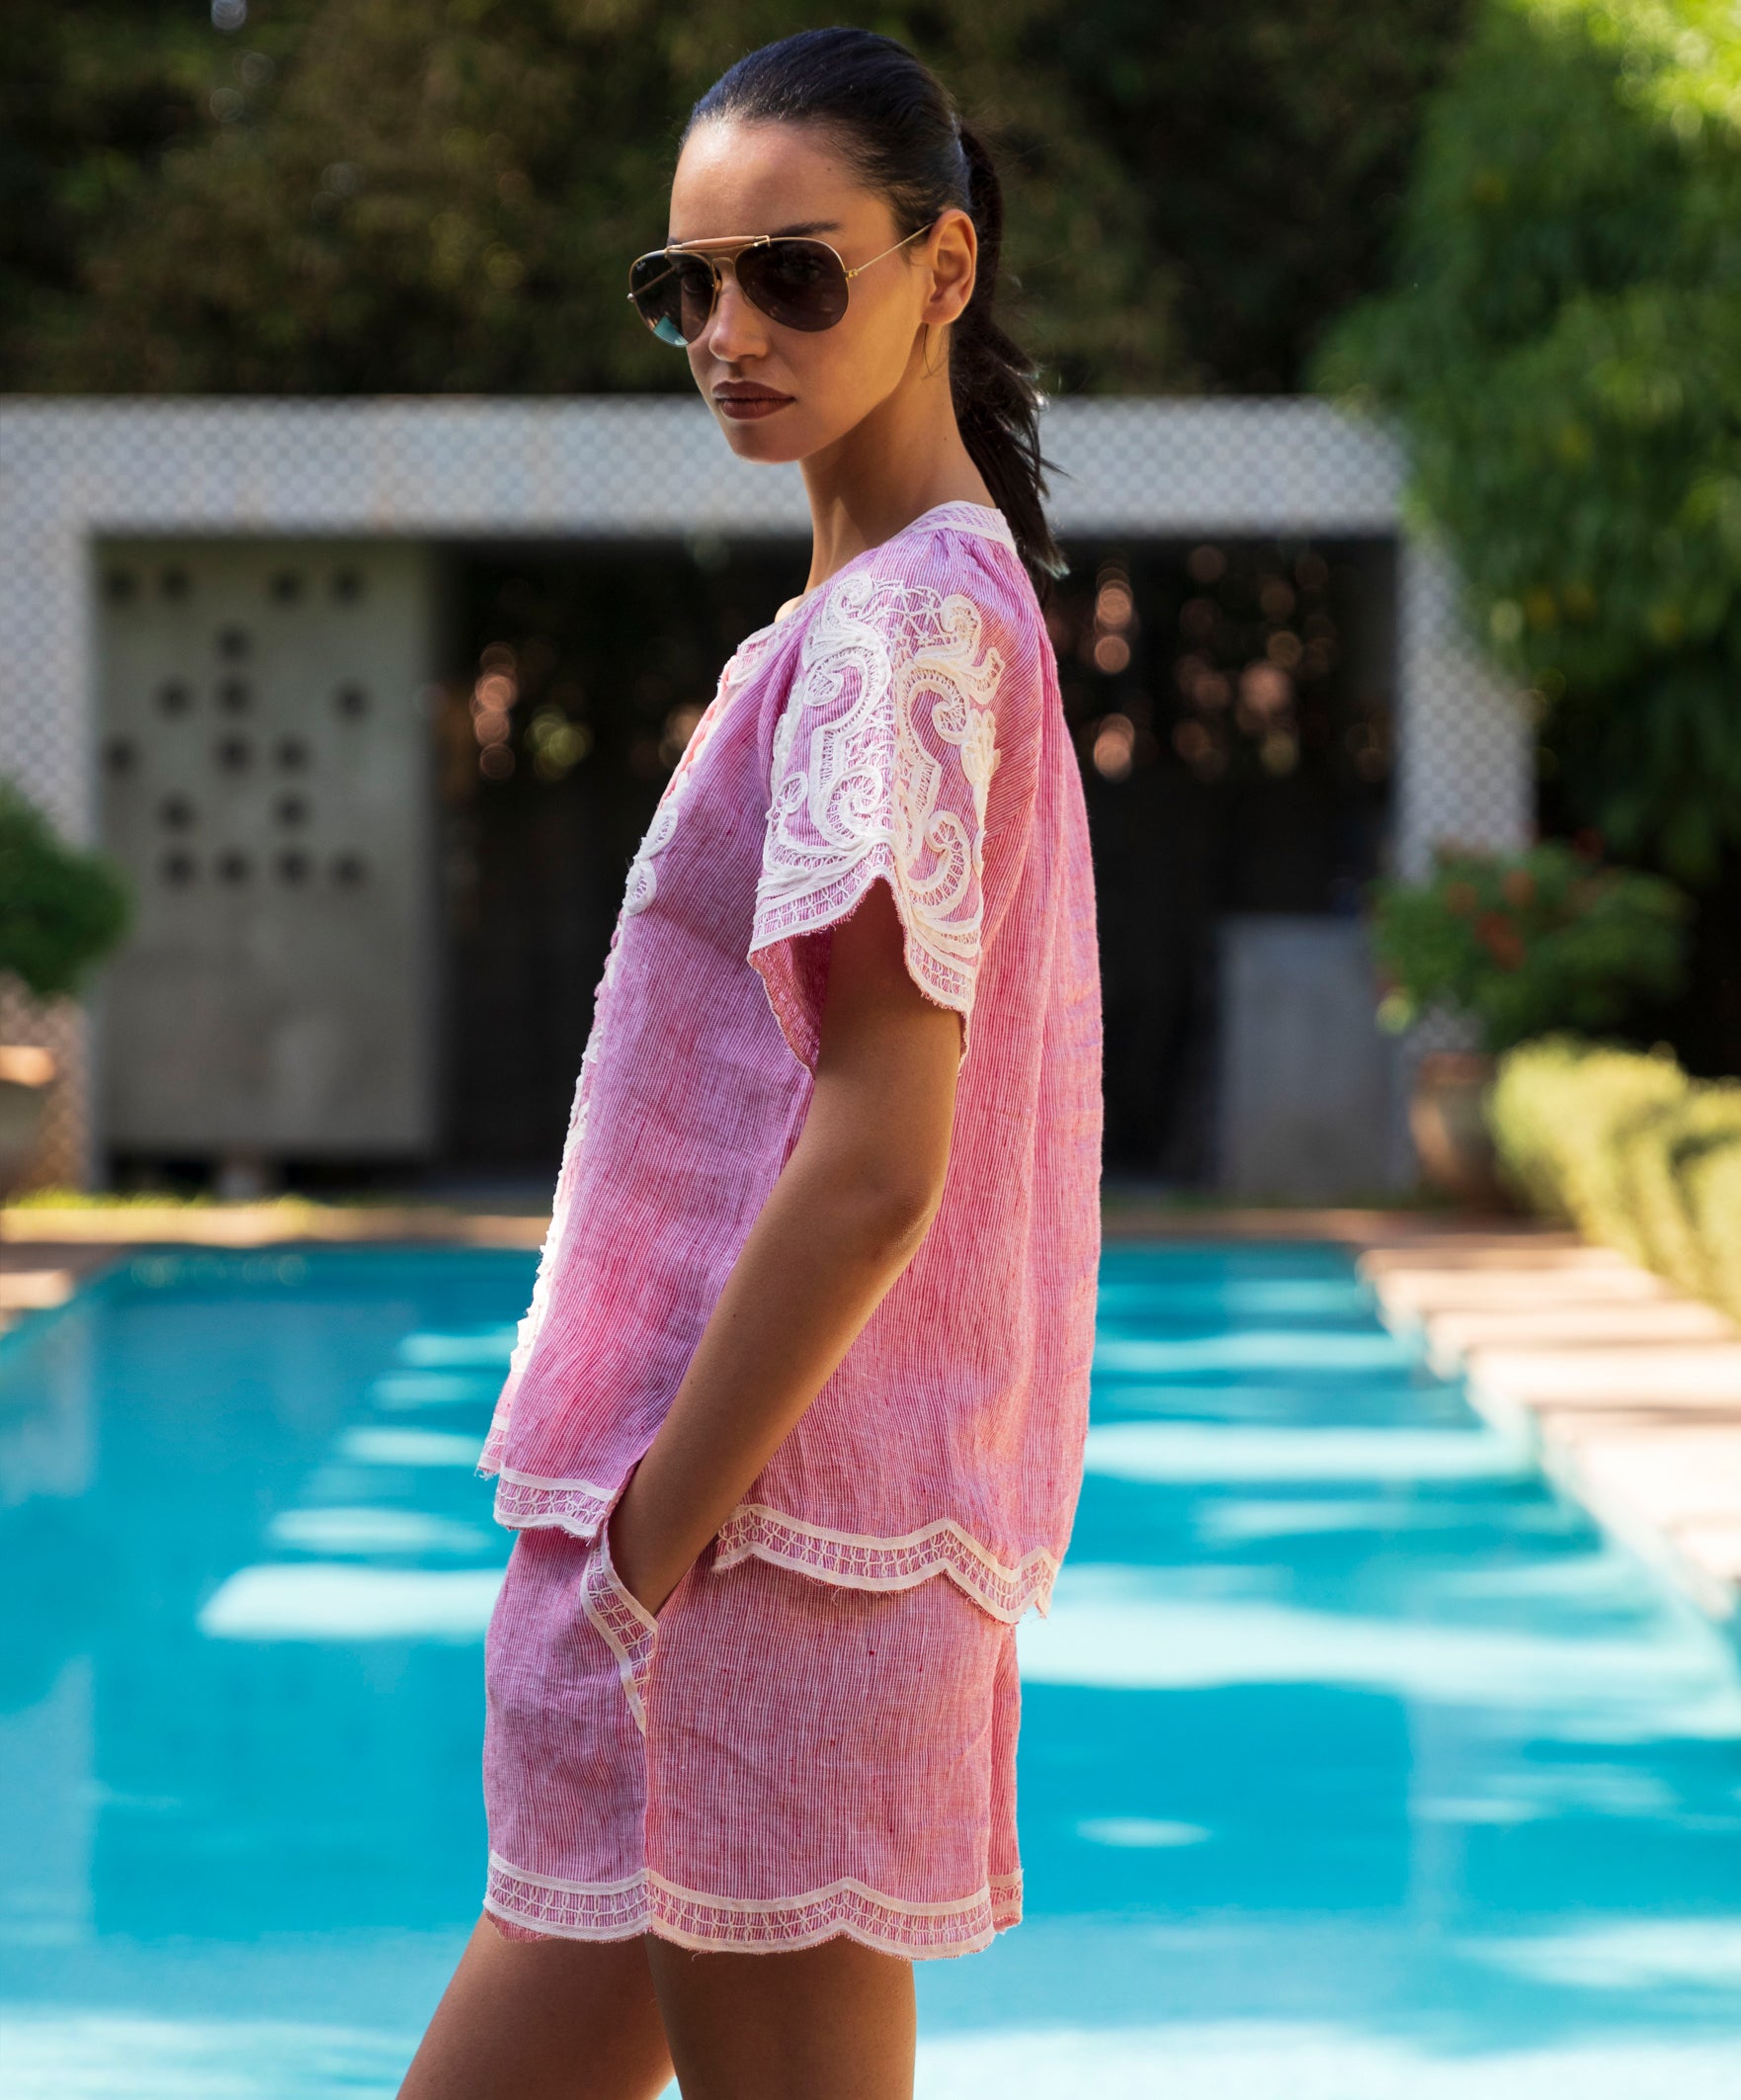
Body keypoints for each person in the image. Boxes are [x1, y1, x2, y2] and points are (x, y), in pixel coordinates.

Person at [398, 26, 1102, 2100]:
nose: (727, 329)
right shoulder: (897, 612)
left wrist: (642, 1546)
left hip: (757, 1562)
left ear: (940, 273)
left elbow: (885, 1155)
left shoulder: (904, 634)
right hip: (733, 1556)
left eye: (793, 273)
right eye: (682, 286)